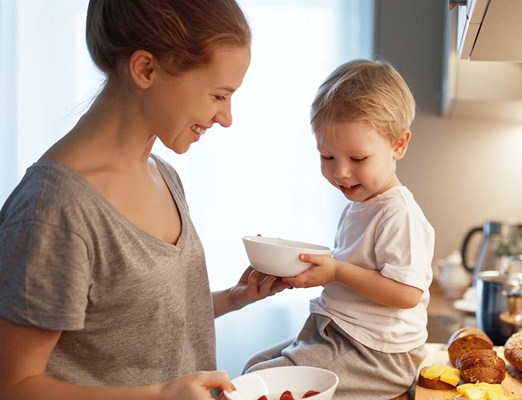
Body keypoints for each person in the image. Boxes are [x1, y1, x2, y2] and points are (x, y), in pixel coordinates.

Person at [0, 1, 289, 399]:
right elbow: (14, 386)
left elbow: (128, 322)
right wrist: (160, 396)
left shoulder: (163, 174)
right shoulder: (54, 210)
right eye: (218, 95)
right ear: (146, 70)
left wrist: (232, 299)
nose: (226, 117)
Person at [243, 59, 435, 399]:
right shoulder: (360, 206)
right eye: (327, 157)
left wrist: (335, 271)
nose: (340, 173)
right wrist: (306, 269)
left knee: (260, 384)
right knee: (253, 368)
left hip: (377, 353)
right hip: (341, 334)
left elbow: (407, 294)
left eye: (357, 159)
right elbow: (353, 269)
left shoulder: (399, 214)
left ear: (399, 145)